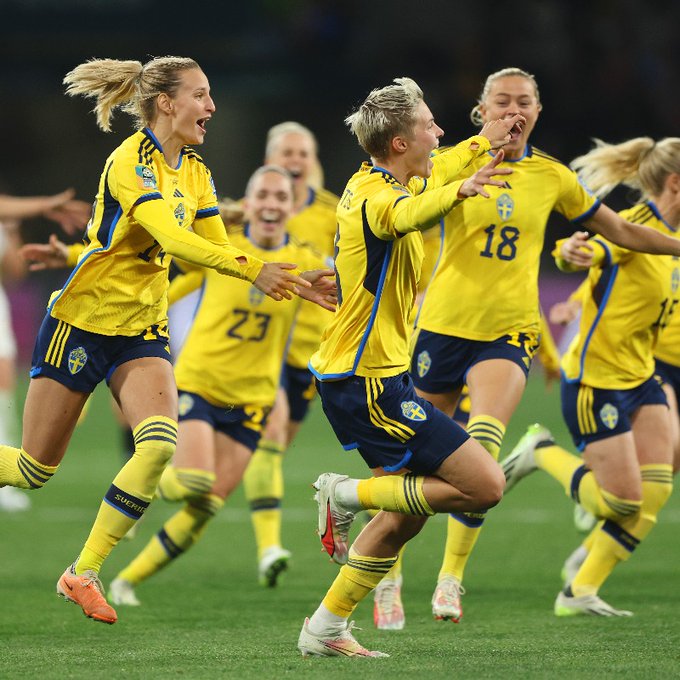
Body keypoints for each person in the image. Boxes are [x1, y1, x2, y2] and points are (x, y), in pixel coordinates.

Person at [0, 55, 332, 626]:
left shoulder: (196, 172)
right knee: (34, 469)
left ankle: (83, 571)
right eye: (201, 95)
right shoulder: (129, 161)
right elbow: (174, 239)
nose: (211, 106)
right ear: (166, 103)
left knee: (155, 446)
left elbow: (219, 248)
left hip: (141, 328)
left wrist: (294, 279)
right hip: (83, 320)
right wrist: (256, 270)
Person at [402, 67, 680, 627]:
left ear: (537, 109)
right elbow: (401, 215)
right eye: (501, 102)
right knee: (411, 459)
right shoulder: (449, 163)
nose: (513, 110)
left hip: (510, 330)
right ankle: (387, 570)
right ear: (482, 111)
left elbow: (613, 234)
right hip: (443, 326)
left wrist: (669, 246)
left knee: (481, 451)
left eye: (523, 102)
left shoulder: (551, 176)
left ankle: (451, 580)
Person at [297, 76, 524, 658]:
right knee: (483, 485)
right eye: (429, 124)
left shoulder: (379, 178)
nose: (439, 132)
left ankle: (325, 629)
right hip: (364, 382)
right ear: (400, 143)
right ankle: (344, 493)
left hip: (370, 375)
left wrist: (482, 142)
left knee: (408, 513)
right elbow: (408, 214)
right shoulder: (381, 197)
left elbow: (436, 174)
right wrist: (463, 190)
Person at [107, 165, 333, 606]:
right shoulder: (223, 252)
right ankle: (141, 489)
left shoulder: (303, 260)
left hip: (253, 401)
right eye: (262, 194)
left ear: (291, 206)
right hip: (200, 385)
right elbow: (156, 249)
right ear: (248, 203)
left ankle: (124, 583)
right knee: (192, 480)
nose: (271, 203)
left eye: (280, 197)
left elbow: (340, 293)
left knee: (204, 507)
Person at [502, 135, 680, 616]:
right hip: (596, 379)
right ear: (676, 184)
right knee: (620, 505)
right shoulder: (634, 228)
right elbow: (582, 252)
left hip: (642, 376)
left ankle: (579, 590)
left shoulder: (673, 241)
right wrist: (571, 254)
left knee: (658, 487)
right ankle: (538, 452)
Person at [241, 122, 339, 587]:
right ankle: (268, 545)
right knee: (272, 430)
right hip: (262, 345)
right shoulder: (254, 210)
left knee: (273, 449)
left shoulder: (333, 211)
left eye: (304, 151)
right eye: (287, 151)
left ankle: (213, 485)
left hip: (310, 353)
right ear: (270, 158)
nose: (296, 159)